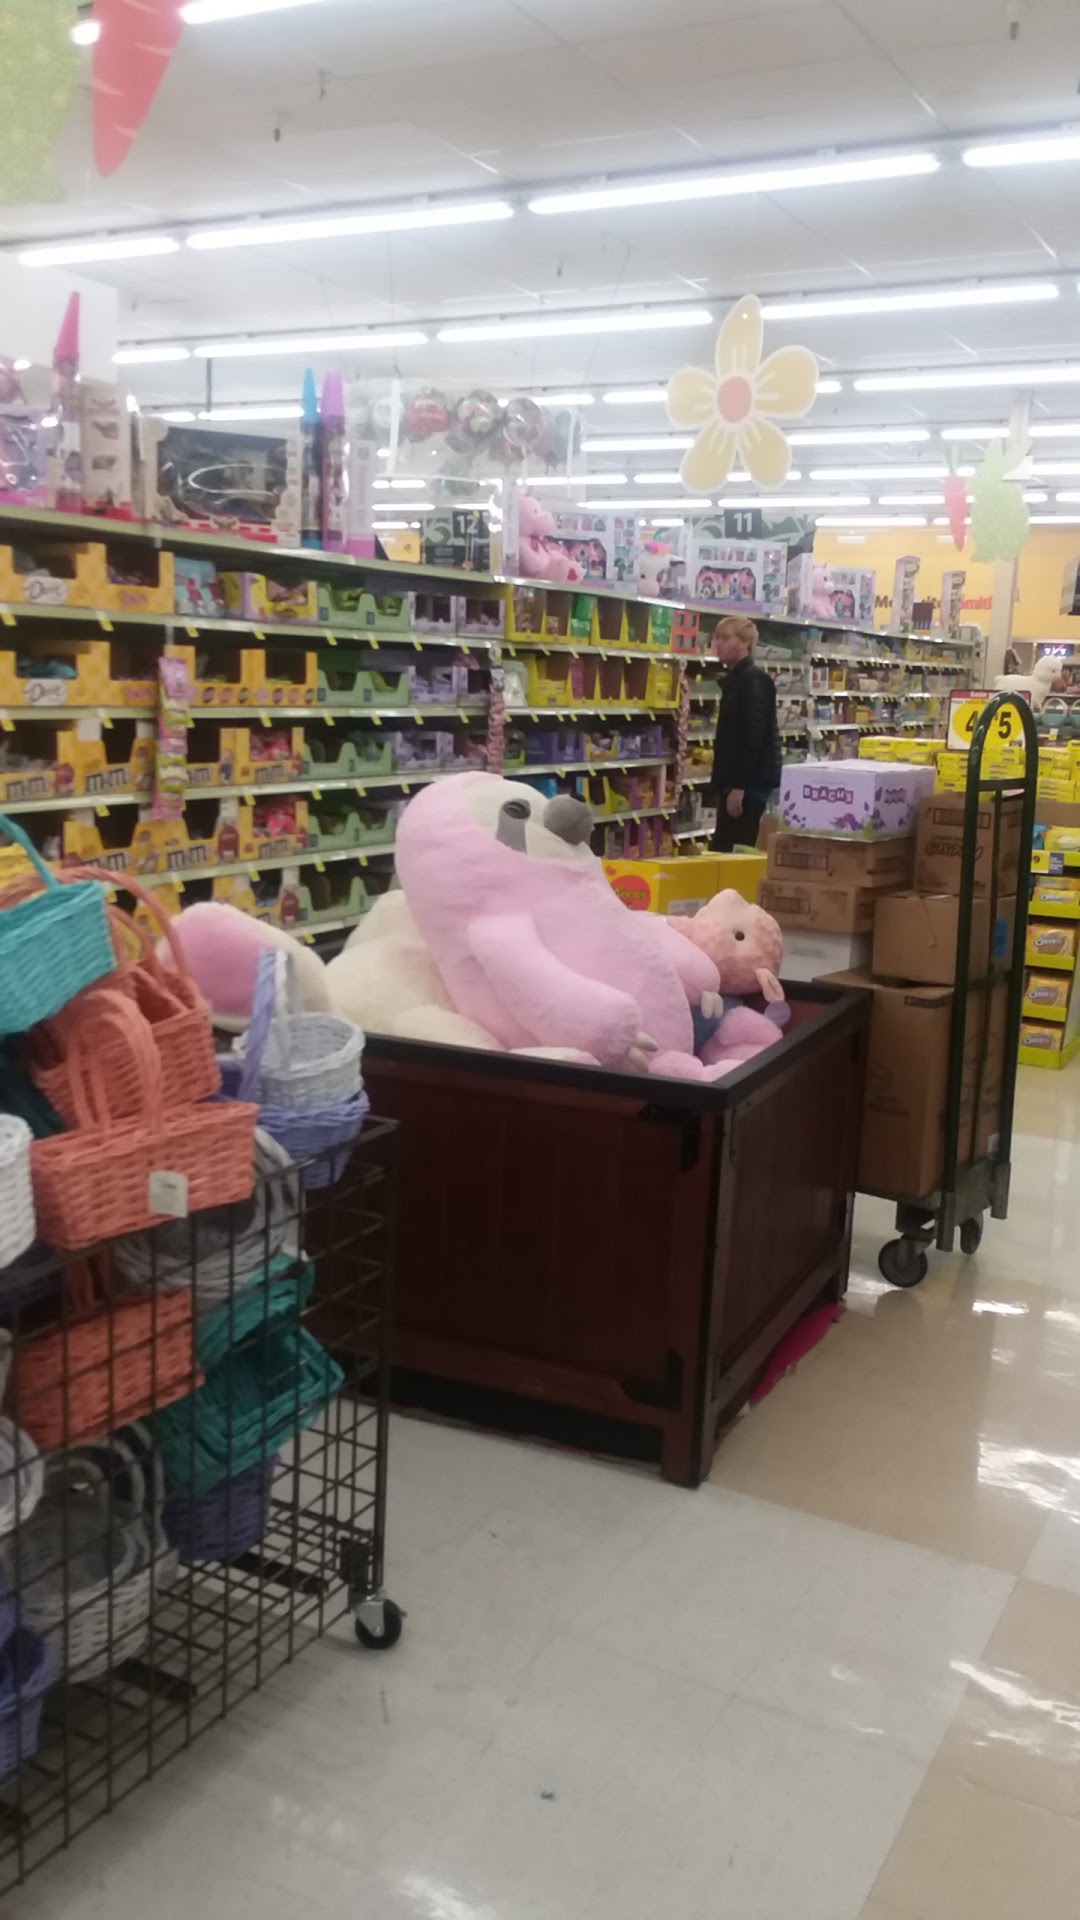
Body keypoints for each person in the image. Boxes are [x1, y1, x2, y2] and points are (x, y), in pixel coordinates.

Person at [707, 614, 782, 853]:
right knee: (725, 846)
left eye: (725, 638)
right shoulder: (737, 680)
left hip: (748, 785)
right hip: (737, 782)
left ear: (745, 643)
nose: (718, 644)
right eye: (717, 638)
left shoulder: (753, 681)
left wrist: (739, 786)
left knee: (734, 848)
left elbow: (753, 737)